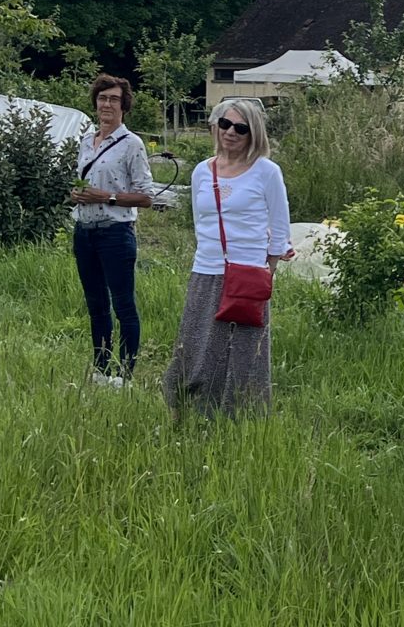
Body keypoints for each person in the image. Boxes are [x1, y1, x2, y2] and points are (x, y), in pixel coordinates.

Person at [164, 96, 292, 417]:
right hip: (205, 271)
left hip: (247, 274)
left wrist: (265, 274)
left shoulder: (267, 172)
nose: (230, 132)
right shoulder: (201, 172)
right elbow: (199, 221)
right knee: (196, 344)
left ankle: (241, 415)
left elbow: (279, 229)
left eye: (240, 127)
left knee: (244, 351)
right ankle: (191, 410)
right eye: (225, 124)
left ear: (254, 133)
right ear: (215, 126)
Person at [69, 72, 157, 386]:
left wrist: (106, 196)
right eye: (103, 98)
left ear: (124, 105)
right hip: (84, 230)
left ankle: (125, 374)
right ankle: (102, 368)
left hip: (115, 233)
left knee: (123, 305)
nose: (107, 104)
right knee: (96, 305)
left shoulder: (131, 144)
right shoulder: (86, 140)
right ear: (95, 102)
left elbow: (147, 196)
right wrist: (79, 194)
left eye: (114, 99)